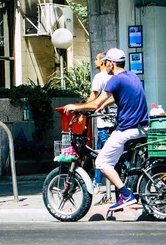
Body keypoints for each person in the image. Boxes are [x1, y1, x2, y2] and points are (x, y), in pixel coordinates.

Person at [63, 48, 148, 211]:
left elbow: (94, 102)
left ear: (111, 63)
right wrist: (102, 106)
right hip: (141, 127)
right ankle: (126, 186)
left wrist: (77, 106)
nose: (104, 64)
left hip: (127, 129)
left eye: (106, 62)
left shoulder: (114, 80)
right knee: (117, 159)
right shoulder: (131, 76)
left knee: (102, 161)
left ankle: (125, 194)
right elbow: (116, 98)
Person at [87, 52, 116, 194]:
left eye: (97, 59)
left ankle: (121, 182)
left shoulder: (99, 77)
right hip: (114, 120)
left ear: (103, 62)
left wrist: (82, 108)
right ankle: (96, 182)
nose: (94, 61)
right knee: (99, 153)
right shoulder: (113, 76)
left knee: (105, 153)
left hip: (104, 122)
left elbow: (94, 96)